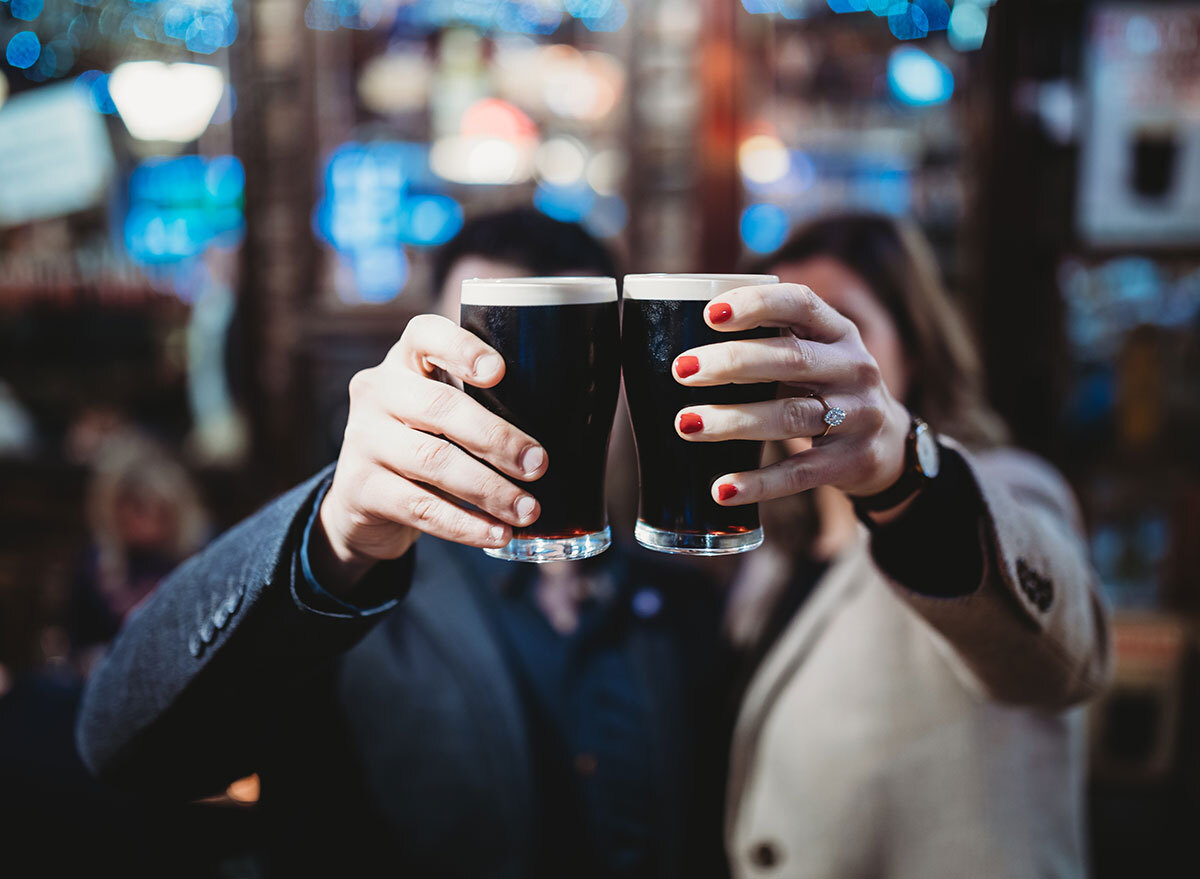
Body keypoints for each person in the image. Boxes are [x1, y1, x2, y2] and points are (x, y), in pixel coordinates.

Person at [77, 209, 726, 879]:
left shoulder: (676, 595)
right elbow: (126, 746)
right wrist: (332, 536)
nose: (537, 410)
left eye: (571, 366)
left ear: (619, 388)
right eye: (493, 365)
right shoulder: (355, 584)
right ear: (433, 375)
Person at [710, 214, 1111, 878]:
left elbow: (1062, 660)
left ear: (913, 349)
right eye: (774, 334)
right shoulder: (772, 552)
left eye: (839, 328)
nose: (800, 358)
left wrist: (903, 468)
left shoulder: (999, 491)